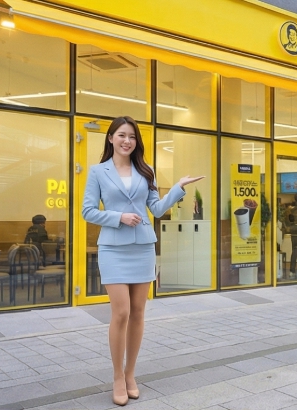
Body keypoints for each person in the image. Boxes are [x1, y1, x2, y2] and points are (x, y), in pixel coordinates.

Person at [82, 116, 204, 406]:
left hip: (143, 248)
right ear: (110, 138)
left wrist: (177, 188)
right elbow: (88, 211)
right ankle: (116, 377)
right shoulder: (98, 171)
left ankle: (130, 374)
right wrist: (119, 217)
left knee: (138, 312)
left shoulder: (146, 171)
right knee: (121, 312)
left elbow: (157, 209)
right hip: (113, 249)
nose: (127, 141)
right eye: (122, 135)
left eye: (132, 137)